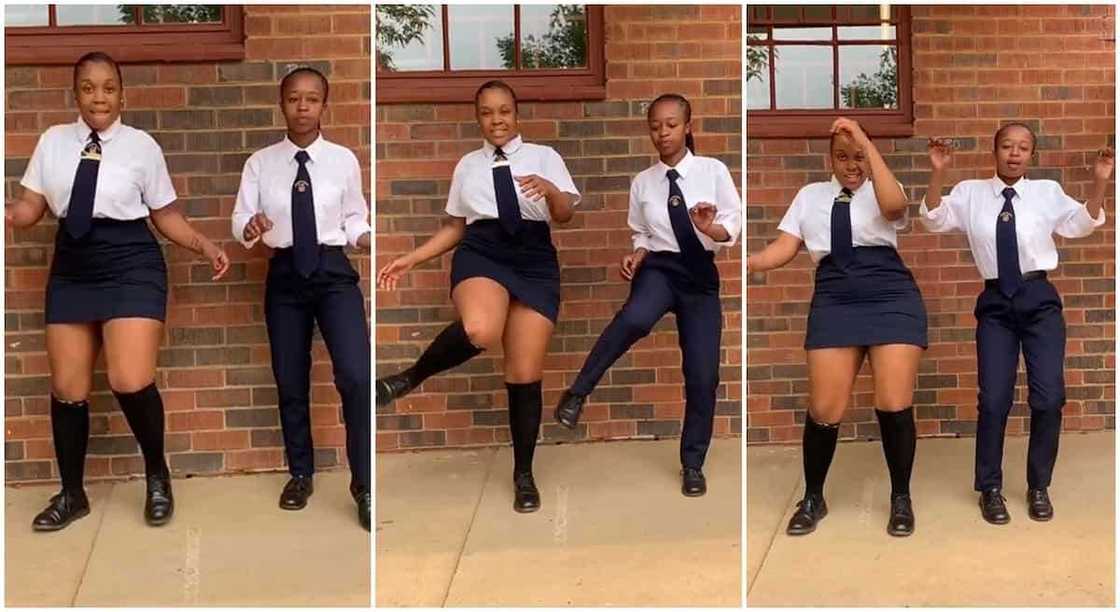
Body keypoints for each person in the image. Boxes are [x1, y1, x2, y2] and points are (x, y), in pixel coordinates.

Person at [6, 51, 230, 531]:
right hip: (73, 264)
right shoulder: (53, 142)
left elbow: (164, 214)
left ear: (121, 93)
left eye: (108, 87)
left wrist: (204, 244)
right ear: (76, 94)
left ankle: (157, 475)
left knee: (129, 378)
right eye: (88, 87)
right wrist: (9, 215)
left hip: (131, 261)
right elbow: (30, 207)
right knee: (67, 388)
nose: (99, 96)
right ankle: (72, 494)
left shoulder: (141, 147)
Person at [375, 80, 580, 513]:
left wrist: (551, 189)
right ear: (478, 118)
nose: (497, 120)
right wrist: (410, 259)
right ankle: (409, 377)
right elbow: (455, 227)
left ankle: (523, 474)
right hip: (483, 252)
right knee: (480, 330)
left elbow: (564, 216)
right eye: (487, 113)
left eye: (504, 110)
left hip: (534, 258)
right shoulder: (468, 165)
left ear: (517, 113)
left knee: (524, 373)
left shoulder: (545, 157)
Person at [921, 124, 1113, 524]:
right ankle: (989, 487)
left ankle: (1038, 484)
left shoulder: (1045, 192)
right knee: (993, 399)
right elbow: (933, 219)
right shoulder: (971, 193)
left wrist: (1098, 184)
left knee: (1048, 398)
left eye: (1023, 147)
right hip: (995, 304)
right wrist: (938, 171)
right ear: (995, 151)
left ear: (1031, 154)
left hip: (1038, 300)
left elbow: (1080, 224)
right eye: (1007, 146)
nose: (1014, 153)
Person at [552, 93, 741, 498]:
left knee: (703, 374)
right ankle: (577, 393)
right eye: (655, 126)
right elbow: (642, 231)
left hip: (699, 276)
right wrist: (636, 253)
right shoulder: (643, 182)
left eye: (671, 125)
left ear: (688, 126)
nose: (663, 133)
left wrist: (710, 229)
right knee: (635, 318)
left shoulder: (712, 171)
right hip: (660, 269)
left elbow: (731, 227)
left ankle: (693, 463)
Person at [746, 118, 926, 536]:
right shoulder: (810, 196)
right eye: (842, 157)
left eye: (858, 156)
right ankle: (813, 497)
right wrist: (752, 263)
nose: (851, 165)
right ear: (829, 158)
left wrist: (866, 141)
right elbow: (786, 247)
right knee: (826, 407)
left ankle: (901, 498)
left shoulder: (883, 186)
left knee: (892, 401)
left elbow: (896, 208)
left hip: (890, 297)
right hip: (835, 300)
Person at [232, 67, 372, 530]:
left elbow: (353, 215)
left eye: (312, 99)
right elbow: (241, 218)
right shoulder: (261, 163)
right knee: (290, 378)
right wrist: (249, 229)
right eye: (294, 98)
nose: (303, 106)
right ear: (282, 104)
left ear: (324, 105)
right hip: (286, 275)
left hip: (333, 273)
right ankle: (300, 473)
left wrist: (365, 237)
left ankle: (365, 484)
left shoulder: (342, 160)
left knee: (355, 374)